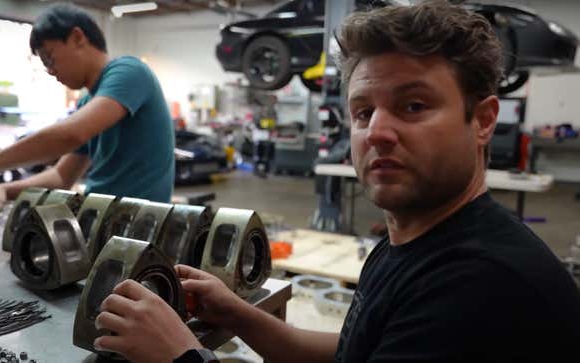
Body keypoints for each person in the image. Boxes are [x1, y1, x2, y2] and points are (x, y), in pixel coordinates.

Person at [93, 1, 580, 362]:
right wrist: (238, 314)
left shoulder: (482, 288)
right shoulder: (408, 245)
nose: (378, 132)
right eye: (363, 112)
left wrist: (181, 356)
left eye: (413, 106)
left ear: (483, 120)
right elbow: (355, 353)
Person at [0, 4, 175, 206]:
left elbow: (70, 134)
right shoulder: (87, 102)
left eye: (49, 57)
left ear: (78, 38)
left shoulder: (128, 71)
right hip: (102, 216)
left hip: (140, 226)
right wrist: (6, 190)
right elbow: (62, 176)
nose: (50, 71)